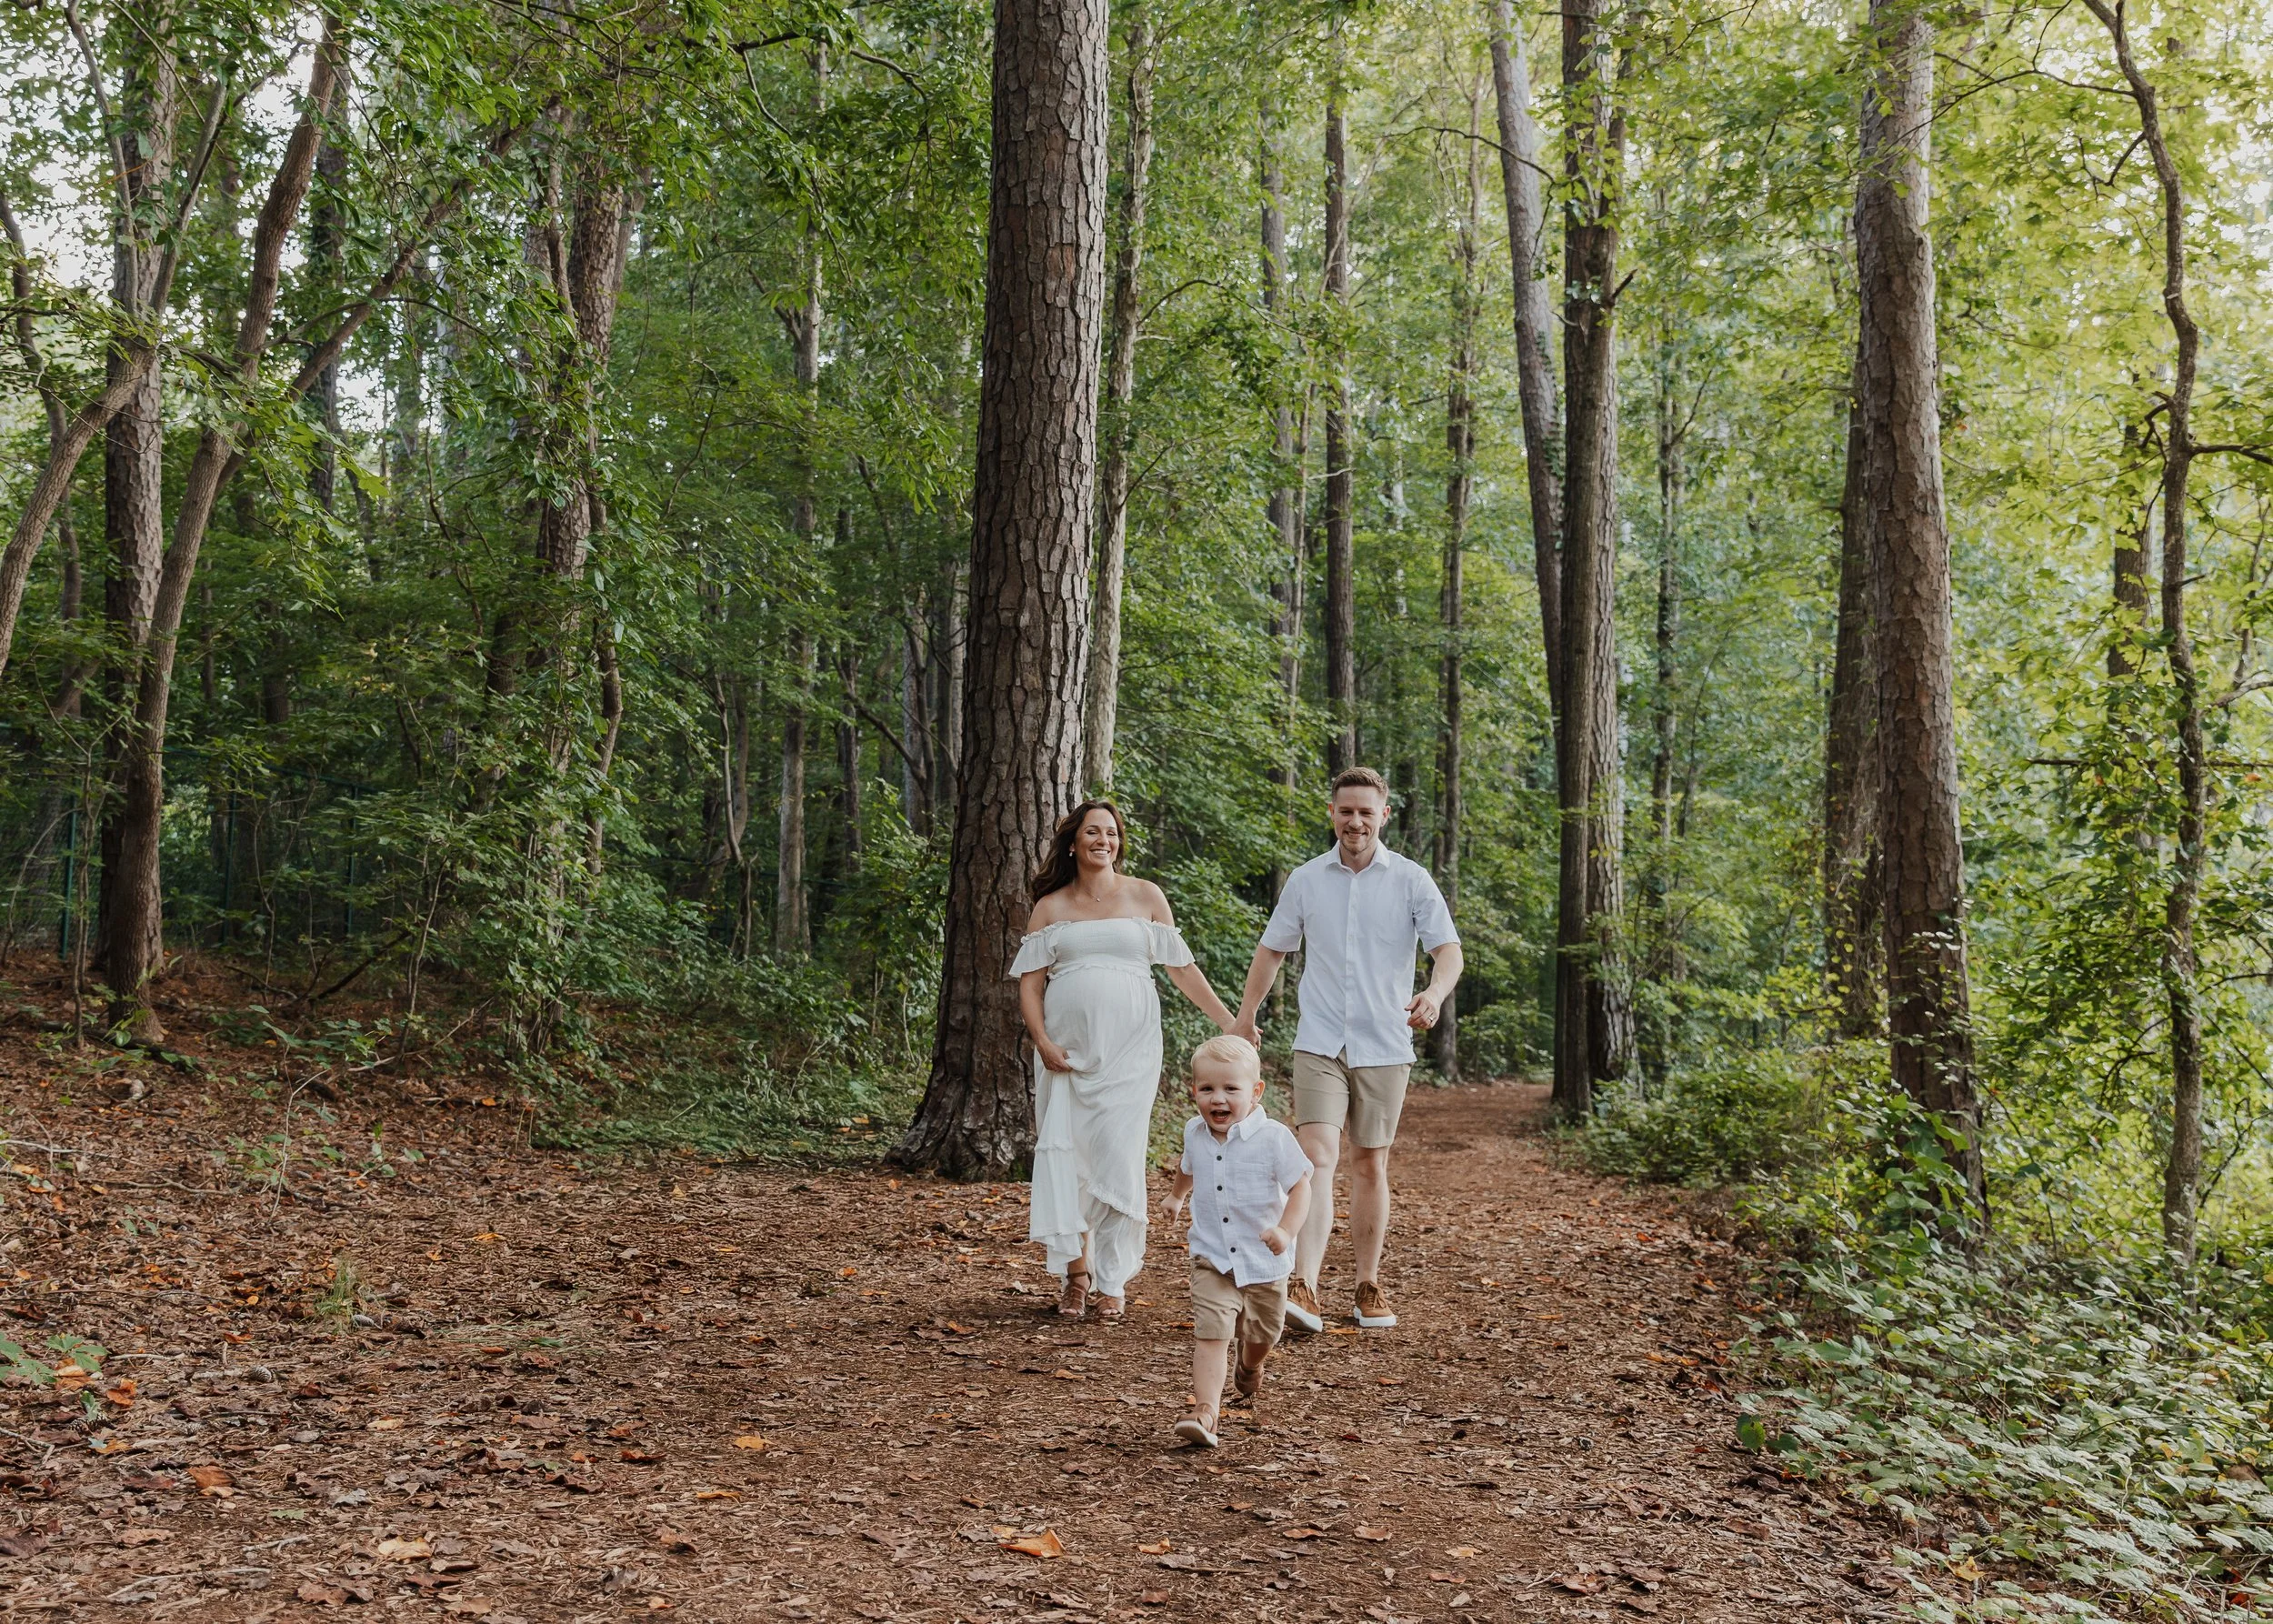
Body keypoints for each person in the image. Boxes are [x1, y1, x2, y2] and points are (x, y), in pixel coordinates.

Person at [1232, 766, 1461, 1333]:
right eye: (1345, 810)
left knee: (1369, 1163)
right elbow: (1272, 952)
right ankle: (1304, 1285)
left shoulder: (1411, 880)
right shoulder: (1307, 880)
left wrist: (1434, 993)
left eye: (1366, 811)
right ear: (1331, 814)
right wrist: (1245, 1015)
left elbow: (1448, 951)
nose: (1355, 821)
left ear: (1384, 815)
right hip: (1321, 1040)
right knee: (1316, 1160)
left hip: (1385, 1041)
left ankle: (1367, 1284)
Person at [1013, 800, 1239, 1322]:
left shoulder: (1146, 895)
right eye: (1093, 832)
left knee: (1117, 1156)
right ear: (1073, 842)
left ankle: (1113, 1280)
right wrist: (1043, 1042)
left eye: (1112, 833)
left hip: (1131, 1052)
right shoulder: (1051, 905)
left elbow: (1182, 970)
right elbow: (1030, 984)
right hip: (1066, 1056)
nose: (1104, 840)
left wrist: (1231, 1023)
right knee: (1070, 1159)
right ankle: (1076, 1276)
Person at [1159, 1033, 1314, 1449]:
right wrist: (1177, 1196)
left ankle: (1249, 1366)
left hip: (1263, 1261)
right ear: (1194, 1091)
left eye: (1231, 1088)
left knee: (1263, 1333)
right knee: (1212, 1332)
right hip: (1212, 1257)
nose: (1218, 1098)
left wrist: (1285, 1230)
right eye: (1207, 1089)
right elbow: (1187, 1166)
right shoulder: (1195, 1132)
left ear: (1255, 1091)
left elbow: (1302, 1187)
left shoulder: (1274, 1138)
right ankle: (1206, 1411)